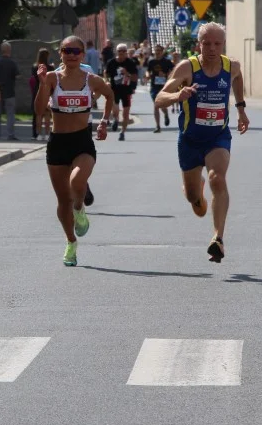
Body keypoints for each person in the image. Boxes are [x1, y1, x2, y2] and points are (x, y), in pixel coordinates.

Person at [154, 23, 250, 262]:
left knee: (218, 178)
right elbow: (159, 98)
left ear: (223, 45)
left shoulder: (231, 66)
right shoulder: (188, 67)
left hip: (218, 136)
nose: (211, 48)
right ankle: (196, 191)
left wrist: (241, 109)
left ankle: (218, 238)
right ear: (199, 44)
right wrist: (178, 94)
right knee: (193, 199)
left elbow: (237, 80)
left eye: (217, 44)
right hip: (190, 140)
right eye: (206, 43)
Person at [34, 36, 115, 266]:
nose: (71, 55)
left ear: (82, 54)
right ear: (60, 53)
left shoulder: (92, 80)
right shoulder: (51, 78)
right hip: (58, 143)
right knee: (62, 201)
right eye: (66, 51)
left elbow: (109, 95)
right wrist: (41, 85)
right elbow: (39, 110)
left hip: (82, 143)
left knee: (77, 182)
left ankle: (80, 209)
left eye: (76, 51)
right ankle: (71, 243)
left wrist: (104, 122)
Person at [104, 43, 138, 141]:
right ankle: (115, 119)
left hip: (127, 90)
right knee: (114, 108)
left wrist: (127, 73)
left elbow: (135, 78)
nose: (122, 53)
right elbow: (106, 72)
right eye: (120, 51)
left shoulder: (130, 63)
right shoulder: (112, 62)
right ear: (116, 52)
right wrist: (106, 81)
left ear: (126, 52)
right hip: (114, 89)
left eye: (124, 51)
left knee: (126, 113)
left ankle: (122, 132)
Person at [0, 41, 19, 140]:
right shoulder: (12, 62)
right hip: (10, 91)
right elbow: (18, 75)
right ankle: (10, 135)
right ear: (9, 50)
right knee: (10, 114)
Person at [145, 44, 174, 132]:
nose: (157, 52)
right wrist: (147, 75)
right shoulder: (151, 62)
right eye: (156, 50)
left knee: (162, 105)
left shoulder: (167, 62)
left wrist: (166, 75)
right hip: (154, 86)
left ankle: (165, 114)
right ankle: (158, 126)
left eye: (159, 51)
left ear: (162, 52)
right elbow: (148, 71)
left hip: (164, 86)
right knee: (156, 105)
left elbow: (174, 72)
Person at [31, 48, 52, 141]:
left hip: (37, 91)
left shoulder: (35, 67)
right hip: (47, 91)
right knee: (47, 114)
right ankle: (47, 134)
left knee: (38, 114)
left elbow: (33, 79)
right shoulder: (50, 67)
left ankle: (38, 134)